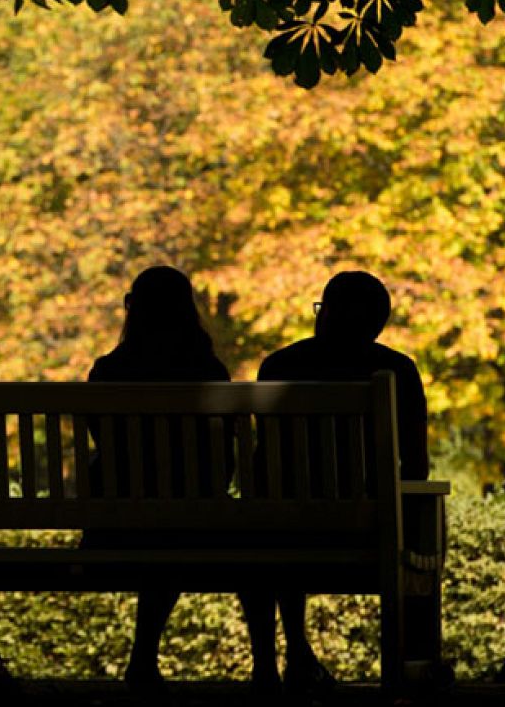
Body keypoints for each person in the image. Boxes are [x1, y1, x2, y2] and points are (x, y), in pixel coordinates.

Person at [248, 270, 430, 693]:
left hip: (279, 532)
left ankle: (274, 664)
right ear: (378, 322)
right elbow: (416, 466)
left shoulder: (278, 366)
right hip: (363, 534)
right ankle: (399, 665)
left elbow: (262, 463)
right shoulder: (398, 371)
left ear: (324, 312)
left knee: (270, 531)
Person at [82, 267, 258, 691]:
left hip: (115, 529)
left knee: (161, 531)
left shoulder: (106, 371)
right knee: (240, 539)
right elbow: (225, 460)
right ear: (188, 311)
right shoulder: (210, 371)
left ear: (131, 308)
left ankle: (142, 659)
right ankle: (266, 668)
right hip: (195, 528)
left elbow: (101, 448)